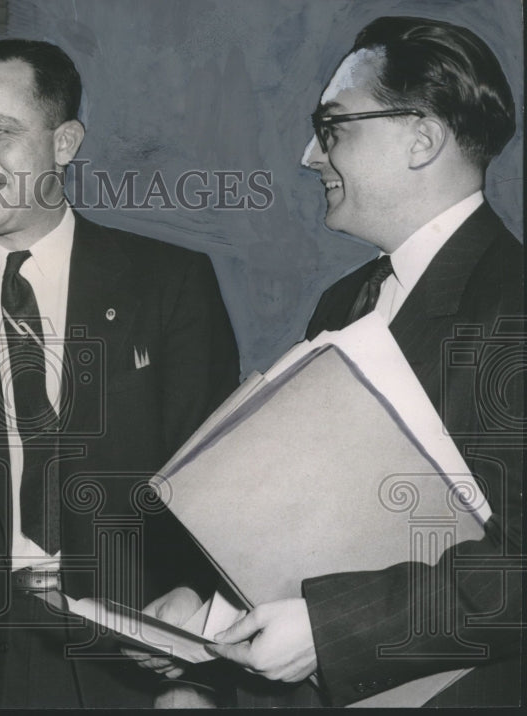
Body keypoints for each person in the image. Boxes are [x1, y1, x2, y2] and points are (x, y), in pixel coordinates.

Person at [140, 15, 523, 708]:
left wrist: (329, 626)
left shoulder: (515, 305)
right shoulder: (347, 299)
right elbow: (316, 528)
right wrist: (208, 622)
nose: (308, 155)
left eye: (333, 127)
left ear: (422, 139)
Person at [0, 38, 240, 708]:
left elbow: (218, 484)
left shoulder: (170, 286)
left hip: (143, 660)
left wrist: (199, 669)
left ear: (64, 143)